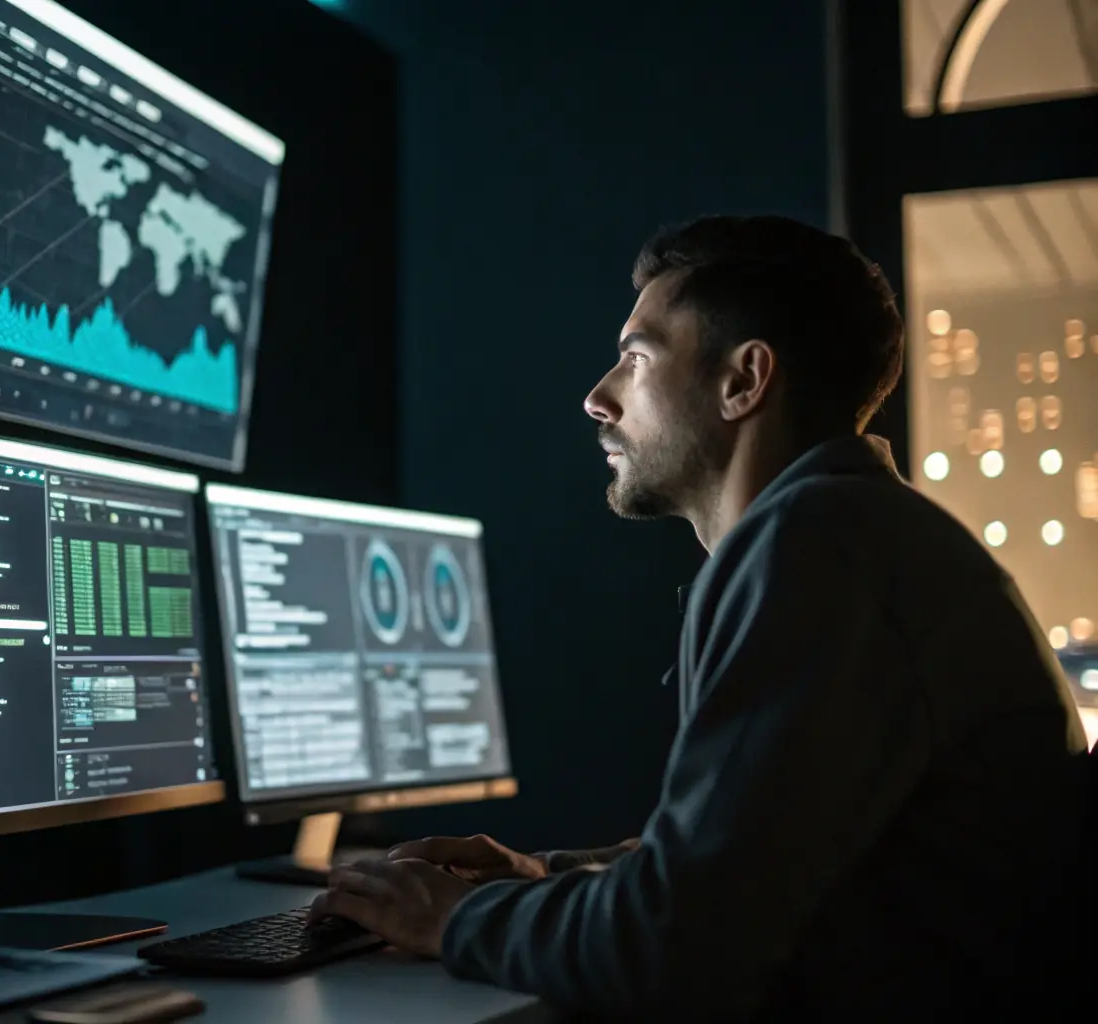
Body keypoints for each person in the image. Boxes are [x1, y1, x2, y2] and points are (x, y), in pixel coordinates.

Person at [308, 215, 1091, 1019]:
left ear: (743, 382)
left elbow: (675, 940)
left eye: (636, 358)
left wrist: (455, 917)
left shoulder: (818, 549)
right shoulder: (856, 533)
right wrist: (546, 875)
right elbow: (756, 862)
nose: (596, 397)